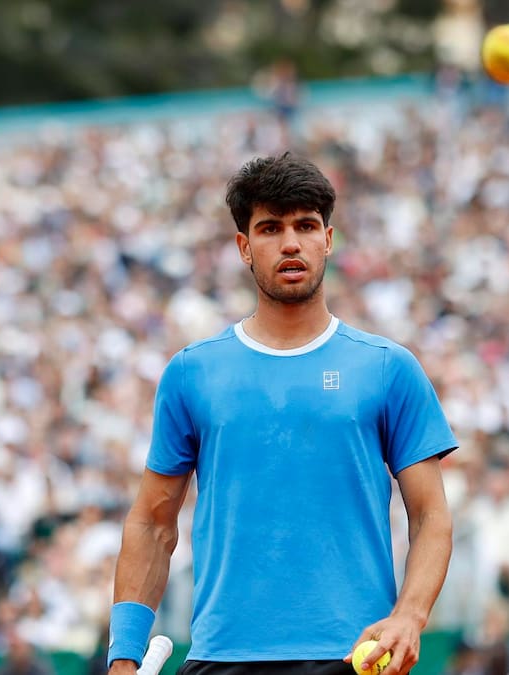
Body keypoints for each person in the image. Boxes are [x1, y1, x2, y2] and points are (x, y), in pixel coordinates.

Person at [107, 153, 458, 675]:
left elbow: (431, 515)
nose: (290, 243)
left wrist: (410, 615)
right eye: (270, 228)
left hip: (352, 658)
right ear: (245, 248)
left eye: (305, 226)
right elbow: (153, 522)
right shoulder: (191, 372)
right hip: (220, 658)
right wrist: (123, 658)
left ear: (328, 240)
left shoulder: (388, 369)